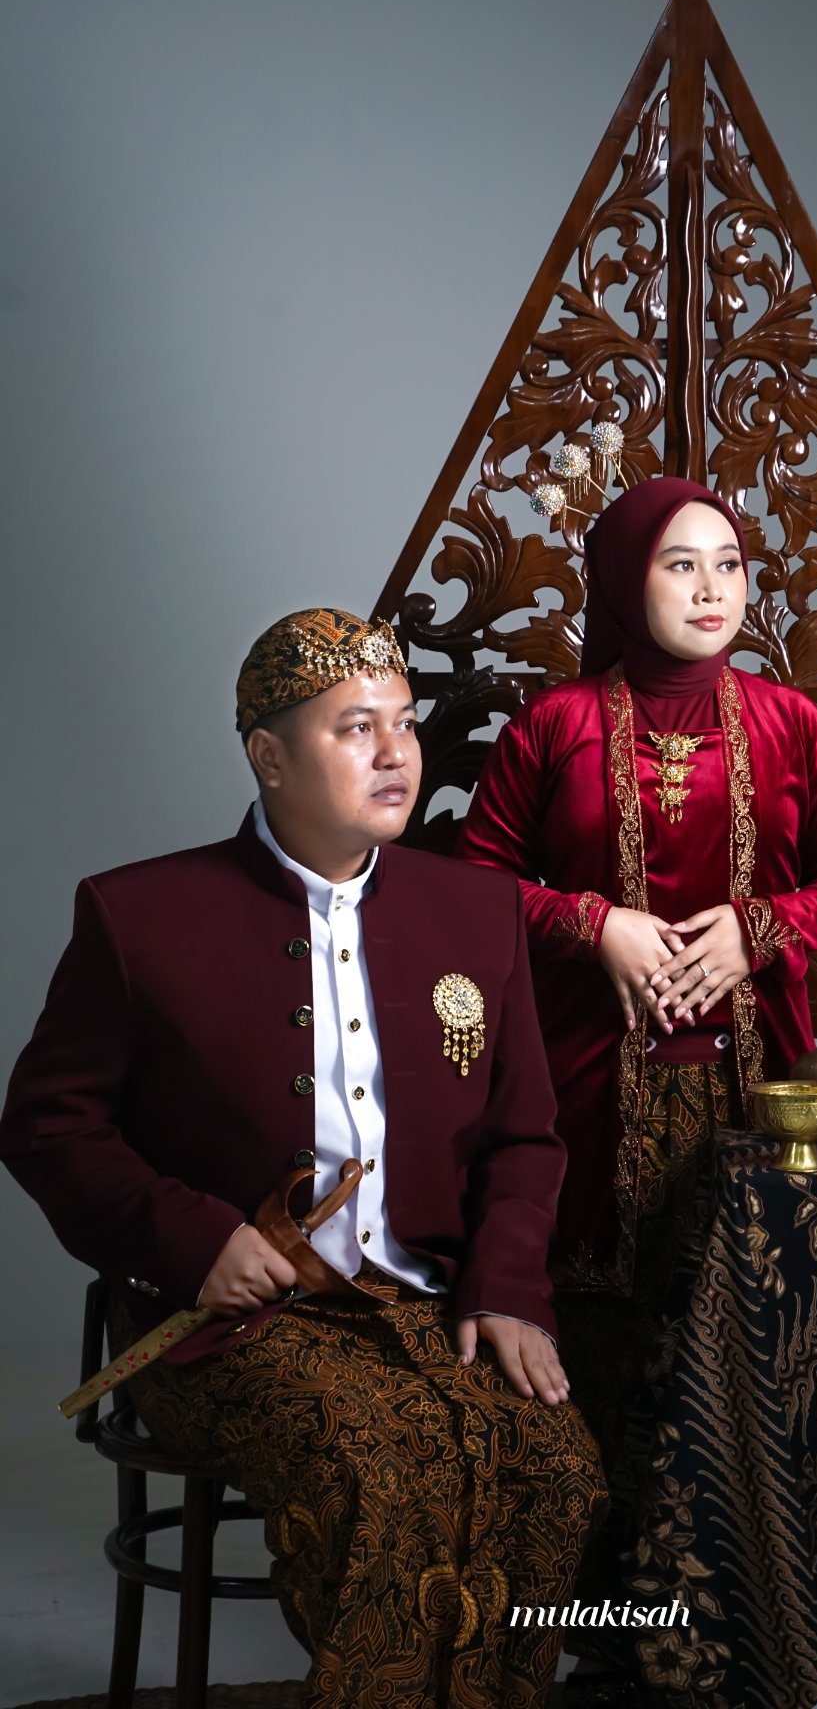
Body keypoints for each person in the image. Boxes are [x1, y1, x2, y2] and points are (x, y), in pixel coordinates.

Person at [0, 607, 606, 1709]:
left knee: (559, 1468)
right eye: (355, 728)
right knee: (378, 1470)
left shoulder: (477, 911)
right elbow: (47, 1125)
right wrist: (196, 1240)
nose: (395, 753)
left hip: (427, 1297)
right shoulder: (139, 915)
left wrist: (509, 1288)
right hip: (230, 1321)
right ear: (268, 757)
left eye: (404, 723)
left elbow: (525, 1134)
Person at [455, 478, 817, 1636]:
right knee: (600, 1338)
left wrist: (761, 930)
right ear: (621, 579)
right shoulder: (554, 727)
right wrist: (591, 923)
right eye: (679, 564)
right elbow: (471, 887)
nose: (712, 590)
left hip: (758, 1090)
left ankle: (741, 1612)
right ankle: (601, 1616)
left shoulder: (792, 724)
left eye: (729, 564)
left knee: (744, 1338)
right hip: (583, 1088)